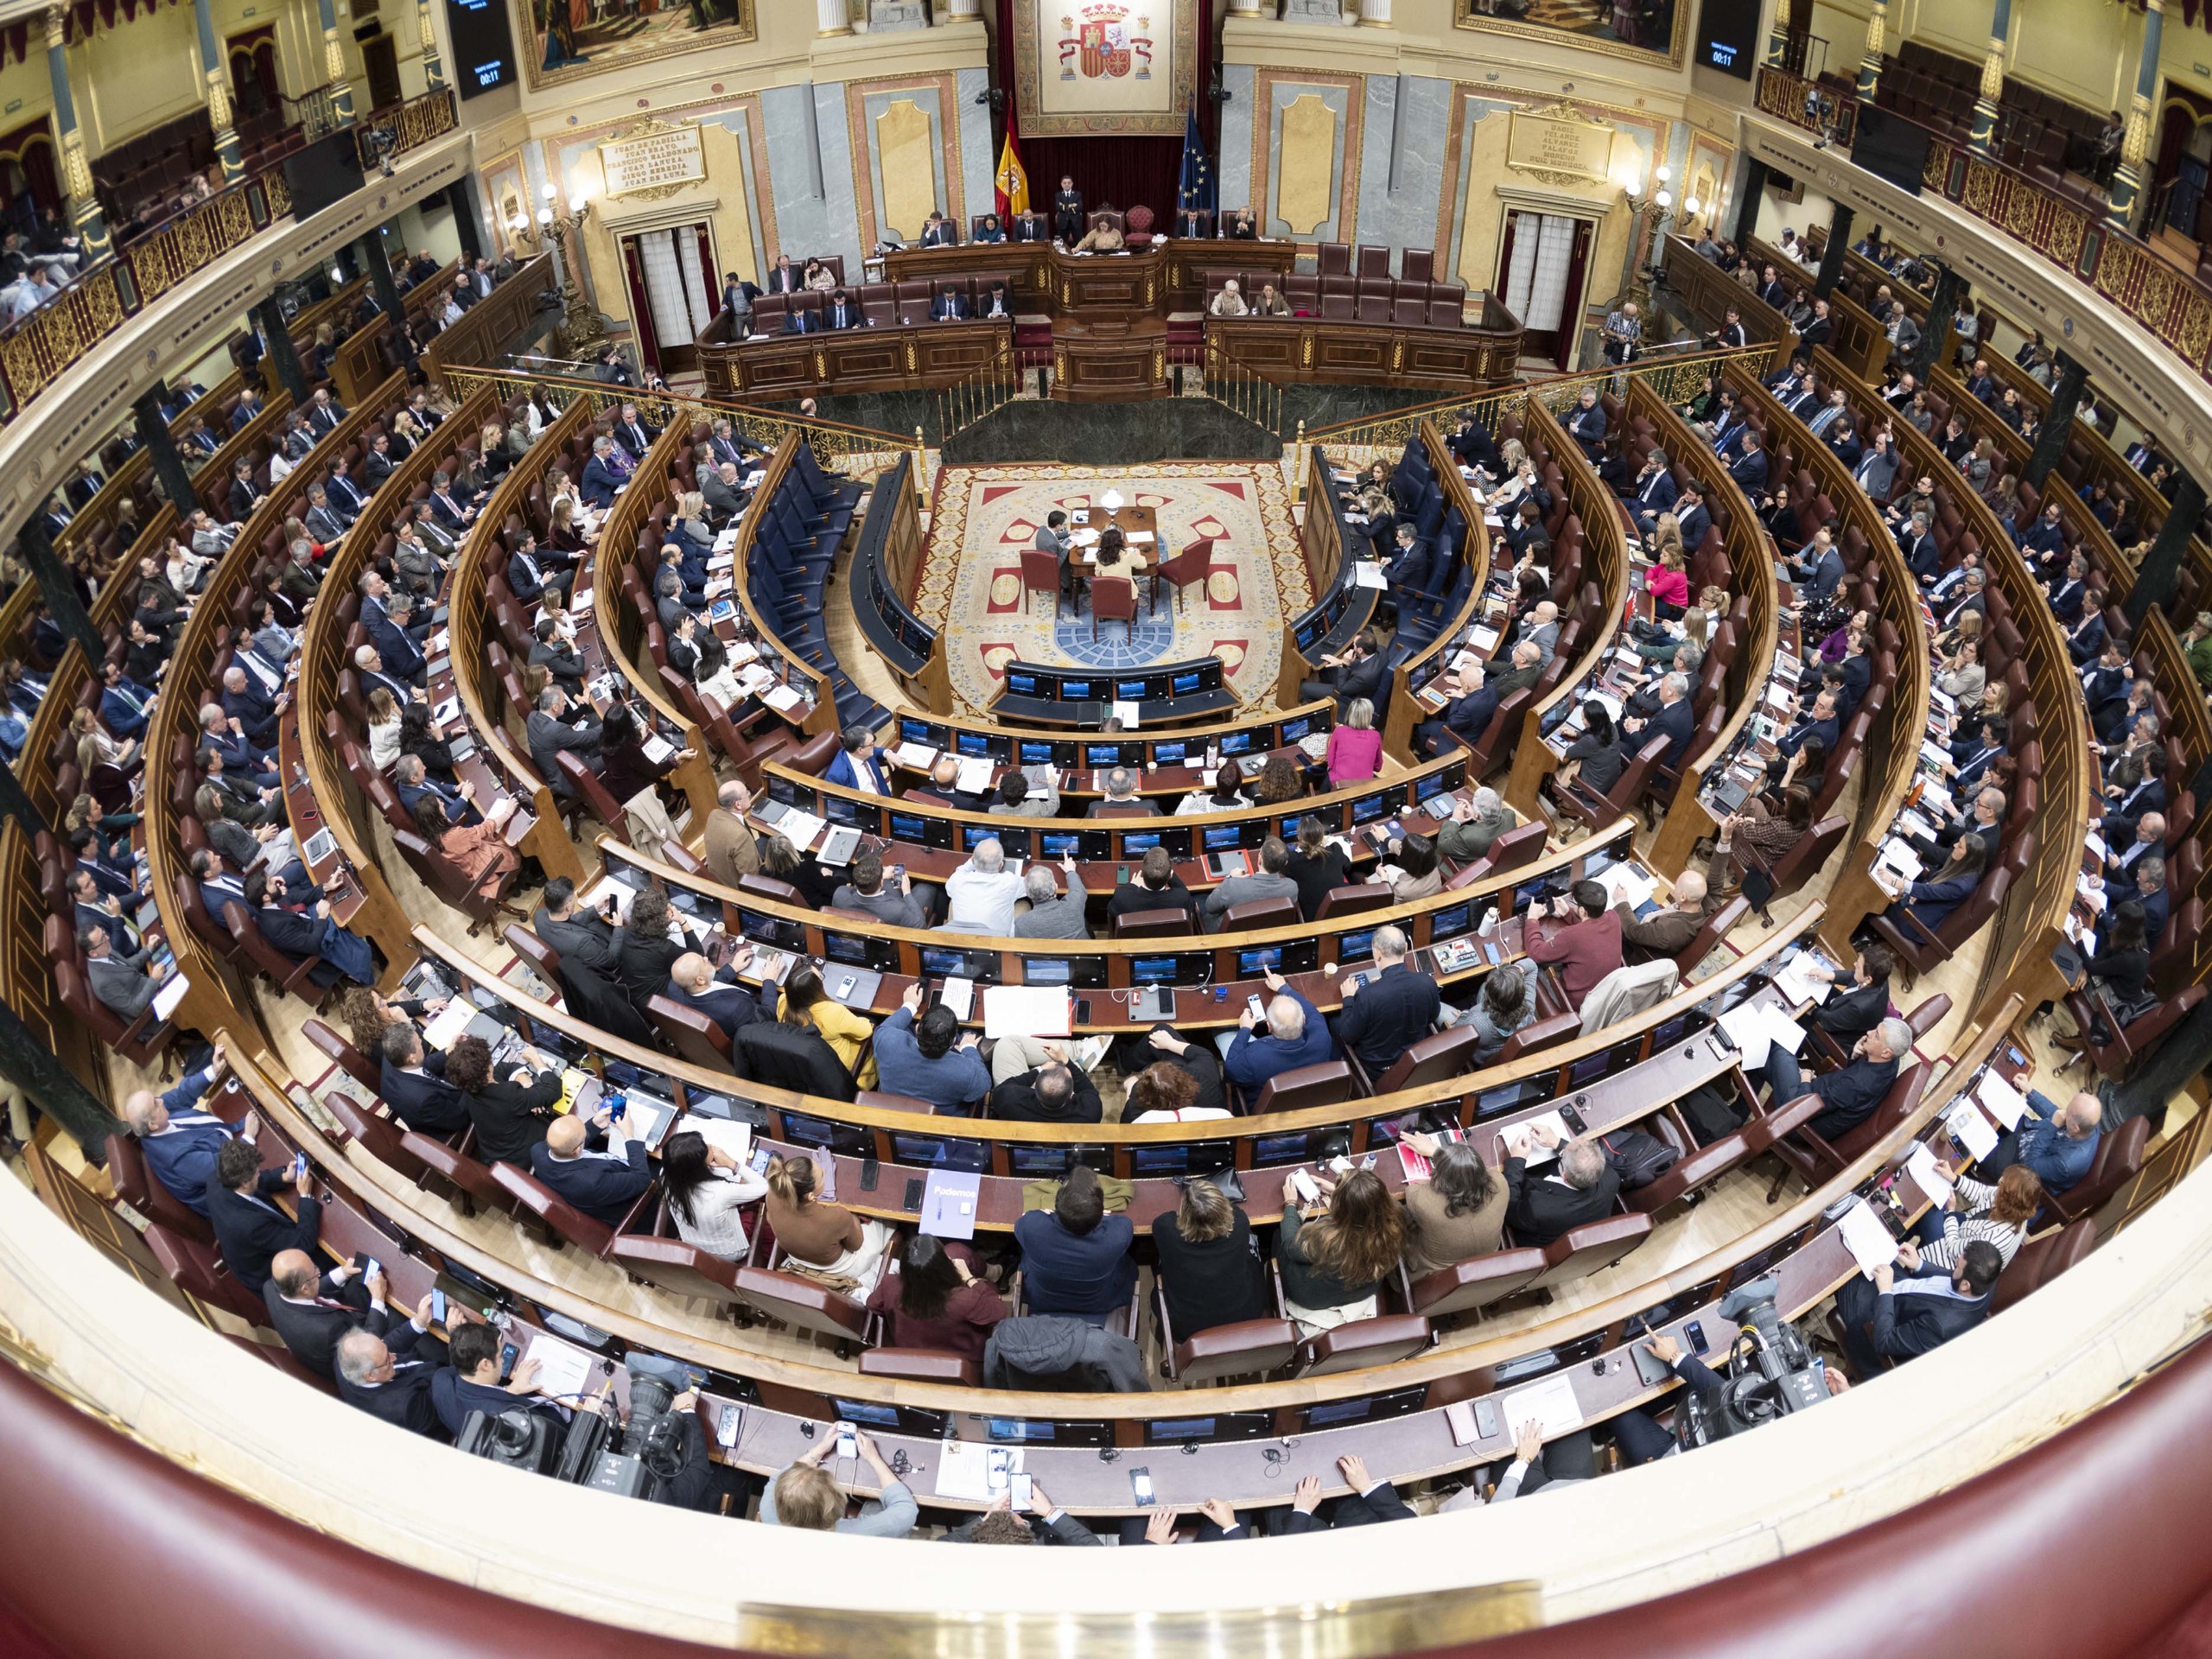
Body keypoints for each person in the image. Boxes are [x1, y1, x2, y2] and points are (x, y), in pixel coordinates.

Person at [1833, 1239, 2001, 1378]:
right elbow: (1949, 1277)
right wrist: (1919, 1264)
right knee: (1868, 1244)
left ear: (1965, 1286)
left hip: (1874, 1322)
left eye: (1957, 1267)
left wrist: (1885, 1291)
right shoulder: (1985, 1282)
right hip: (1903, 1289)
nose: (1955, 1263)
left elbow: (1884, 1341)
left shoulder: (1938, 1326)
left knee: (1841, 1263)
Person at [1276, 1166, 1402, 1332]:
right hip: (1362, 1290)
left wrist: (1290, 1204)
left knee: (1278, 1236)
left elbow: (1291, 1247)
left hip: (1311, 1296)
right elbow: (1367, 1207)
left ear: (1342, 1209)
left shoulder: (1328, 1241)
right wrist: (1343, 1193)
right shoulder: (1394, 1223)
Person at [1761, 1016, 1911, 1144]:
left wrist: (1805, 1079)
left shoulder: (1856, 1085)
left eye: (1876, 1035)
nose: (1869, 1033)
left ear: (1886, 1053)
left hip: (1797, 1120)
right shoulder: (1892, 1061)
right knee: (1762, 1058)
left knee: (1782, 1045)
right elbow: (1851, 1081)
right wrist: (1854, 1056)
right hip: (1814, 1095)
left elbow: (1803, 1108)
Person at [1014, 1164, 1135, 1319]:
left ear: (1057, 1204)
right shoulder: (1117, 1236)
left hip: (1042, 1300)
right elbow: (1123, 1223)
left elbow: (1025, 1220)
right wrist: (1093, 1215)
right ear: (1101, 1209)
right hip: (1098, 1304)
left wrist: (1052, 1214)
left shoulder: (1032, 1227)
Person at [1151, 1177, 1267, 1338]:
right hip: (1244, 1314)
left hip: (1186, 1327)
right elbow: (1235, 1211)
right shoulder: (1240, 1223)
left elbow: (1166, 1219)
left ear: (1184, 1212)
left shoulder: (1165, 1229)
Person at [865, 1233, 1007, 1362]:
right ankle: (994, 1273)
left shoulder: (890, 1284)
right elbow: (999, 1312)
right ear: (944, 1267)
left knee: (956, 1250)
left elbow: (872, 1304)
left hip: (911, 1351)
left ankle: (991, 1271)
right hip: (963, 1360)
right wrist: (970, 1279)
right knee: (989, 1287)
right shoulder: (964, 1300)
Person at [763, 1152, 893, 1292]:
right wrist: (853, 1217)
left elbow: (772, 1219)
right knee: (885, 1222)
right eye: (822, 1175)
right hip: (840, 1269)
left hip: (797, 1258)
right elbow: (856, 1245)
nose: (825, 1172)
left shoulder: (771, 1195)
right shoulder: (836, 1216)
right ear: (811, 1196)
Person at [207, 1137, 320, 1293]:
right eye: (257, 1173)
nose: (259, 1173)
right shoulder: (251, 1226)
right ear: (245, 1183)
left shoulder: (217, 1178)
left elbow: (257, 1181)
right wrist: (305, 1195)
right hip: (277, 1277)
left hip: (258, 1239)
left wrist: (283, 1177)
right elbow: (305, 1244)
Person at [427, 1320, 569, 1442]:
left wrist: (510, 1390)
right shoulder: (508, 1416)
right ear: (485, 1364)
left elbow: (458, 1363)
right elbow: (557, 1432)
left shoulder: (440, 1381)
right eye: (500, 1355)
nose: (503, 1361)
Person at [333, 1303, 455, 1440]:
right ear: (370, 1376)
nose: (394, 1357)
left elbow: (386, 1346)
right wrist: (457, 1340)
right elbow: (449, 1395)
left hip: (424, 1367)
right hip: (444, 1394)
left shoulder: (344, 1358)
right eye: (387, 1359)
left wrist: (419, 1322)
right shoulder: (405, 1408)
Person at [760, 1430, 917, 1536]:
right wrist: (873, 1458)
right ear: (837, 1507)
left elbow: (776, 1479)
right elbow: (905, 1509)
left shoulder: (769, 1513)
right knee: (875, 1505)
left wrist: (818, 1450)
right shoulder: (855, 1534)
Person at [264, 1249, 390, 1378]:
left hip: (341, 1314)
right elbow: (368, 1345)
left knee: (360, 1281)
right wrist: (378, 1297)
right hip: (360, 1352)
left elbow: (307, 1293)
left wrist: (343, 1273)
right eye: (315, 1271)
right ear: (305, 1289)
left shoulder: (271, 1288)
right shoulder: (329, 1331)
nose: (318, 1271)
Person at [657, 1128, 771, 1261]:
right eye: (706, 1148)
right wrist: (731, 1163)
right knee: (760, 1206)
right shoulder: (719, 1191)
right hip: (730, 1251)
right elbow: (764, 1187)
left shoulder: (666, 1175)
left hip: (694, 1246)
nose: (710, 1146)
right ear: (699, 1168)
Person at [1399, 1134, 1507, 1273]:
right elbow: (1475, 1173)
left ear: (1441, 1179)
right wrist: (1440, 1154)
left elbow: (1412, 1189)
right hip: (1488, 1263)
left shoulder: (1422, 1201)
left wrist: (1437, 1153)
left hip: (1437, 1273)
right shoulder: (1500, 1183)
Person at [531, 1105, 652, 1230]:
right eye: (584, 1134)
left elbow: (567, 1145)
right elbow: (642, 1178)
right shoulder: (593, 1182)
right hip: (636, 1203)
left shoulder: (538, 1151)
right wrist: (629, 1135)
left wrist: (594, 1124)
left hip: (594, 1182)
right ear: (577, 1151)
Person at [874, 987, 991, 1112]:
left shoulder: (887, 1042)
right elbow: (984, 1085)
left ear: (917, 1028)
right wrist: (968, 1048)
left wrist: (910, 1005)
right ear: (953, 1042)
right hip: (935, 1121)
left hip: (891, 1113)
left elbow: (885, 1027)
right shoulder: (965, 1072)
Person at [1218, 970, 1335, 1095]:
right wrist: (1284, 988)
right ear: (1304, 1019)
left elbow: (1230, 1070)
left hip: (1264, 1101)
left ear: (1269, 1027)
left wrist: (1245, 1029)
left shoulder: (1255, 1056)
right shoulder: (1322, 1038)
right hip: (1305, 1097)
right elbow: (1313, 1013)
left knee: (1222, 1032)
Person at [1501, 1129, 1618, 1248]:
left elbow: (1510, 1209)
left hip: (1536, 1238)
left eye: (1562, 1158)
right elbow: (1587, 1164)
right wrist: (1557, 1143)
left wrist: (1517, 1159)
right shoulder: (1612, 1179)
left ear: (1564, 1176)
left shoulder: (1538, 1208)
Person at [1522, 879, 1625, 1012]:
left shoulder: (1571, 936)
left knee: (1533, 966)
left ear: (1582, 910)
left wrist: (1532, 919)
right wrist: (1568, 913)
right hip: (1604, 993)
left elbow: (1536, 953)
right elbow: (1591, 928)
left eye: (1574, 903)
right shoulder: (1614, 917)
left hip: (1575, 1004)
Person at [379, 1021, 469, 1137]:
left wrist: (450, 1050)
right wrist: (472, 1079)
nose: (421, 1042)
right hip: (454, 1126)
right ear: (411, 1058)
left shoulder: (392, 1056)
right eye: (418, 1043)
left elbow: (422, 1066)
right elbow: (462, 1118)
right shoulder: (424, 1100)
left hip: (435, 1096)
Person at [1203, 836, 1299, 929]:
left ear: (1260, 858)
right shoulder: (1292, 888)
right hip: (1268, 929)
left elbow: (1210, 906)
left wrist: (1230, 877)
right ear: (1285, 863)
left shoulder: (1233, 885)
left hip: (1230, 933)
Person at [988, 1047, 1102, 1125]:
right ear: (1072, 1094)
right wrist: (1066, 1060)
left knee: (1006, 1044)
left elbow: (1003, 1087)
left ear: (1035, 1086)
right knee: (1077, 1065)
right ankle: (1080, 1048)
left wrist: (1039, 1069)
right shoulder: (1090, 1113)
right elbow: (1089, 1090)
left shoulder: (1007, 1100)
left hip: (1023, 1129)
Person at [942, 837, 1025, 935]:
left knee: (953, 900)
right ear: (1001, 865)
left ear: (973, 860)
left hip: (962, 939)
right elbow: (1032, 886)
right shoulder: (1010, 881)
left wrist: (971, 862)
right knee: (1024, 904)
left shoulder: (957, 880)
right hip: (997, 942)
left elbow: (960, 872)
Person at [1106, 845, 1199, 930]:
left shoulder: (1122, 897)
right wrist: (1168, 873)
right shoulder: (1182, 898)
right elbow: (1185, 894)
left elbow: (1111, 912)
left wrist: (1132, 885)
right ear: (1170, 875)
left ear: (1142, 872)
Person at [830, 853, 927, 929]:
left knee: (892, 885)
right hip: (890, 913)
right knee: (925, 888)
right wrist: (907, 892)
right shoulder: (897, 910)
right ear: (881, 883)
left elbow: (858, 886)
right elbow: (921, 925)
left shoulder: (840, 895)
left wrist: (881, 877)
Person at [1014, 861, 1090, 939]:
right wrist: (1071, 871)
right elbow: (1078, 890)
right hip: (1081, 947)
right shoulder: (1074, 905)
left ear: (1028, 893)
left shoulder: (1021, 923)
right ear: (1056, 888)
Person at [1325, 696, 1382, 786]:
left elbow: (1330, 763)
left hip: (1339, 785)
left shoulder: (1339, 731)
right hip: (1364, 787)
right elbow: (1378, 767)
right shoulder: (1375, 736)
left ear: (1350, 714)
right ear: (1369, 717)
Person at [1085, 765, 1160, 817]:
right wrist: (1139, 801)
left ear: (1108, 789)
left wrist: (1105, 804)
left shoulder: (1095, 807)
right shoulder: (1150, 805)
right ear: (1132, 785)